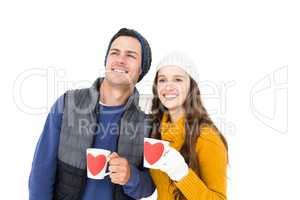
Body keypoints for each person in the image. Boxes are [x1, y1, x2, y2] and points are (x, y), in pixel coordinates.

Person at [29, 28, 155, 200]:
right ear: (106, 60)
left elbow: (150, 186)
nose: (120, 60)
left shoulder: (148, 120)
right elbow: (41, 172)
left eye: (130, 55)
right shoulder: (68, 103)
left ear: (141, 70)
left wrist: (131, 177)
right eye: (115, 53)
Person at [149, 52, 228, 200]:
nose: (168, 86)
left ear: (192, 86)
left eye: (178, 79)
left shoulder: (206, 136)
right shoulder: (156, 132)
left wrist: (183, 175)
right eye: (162, 80)